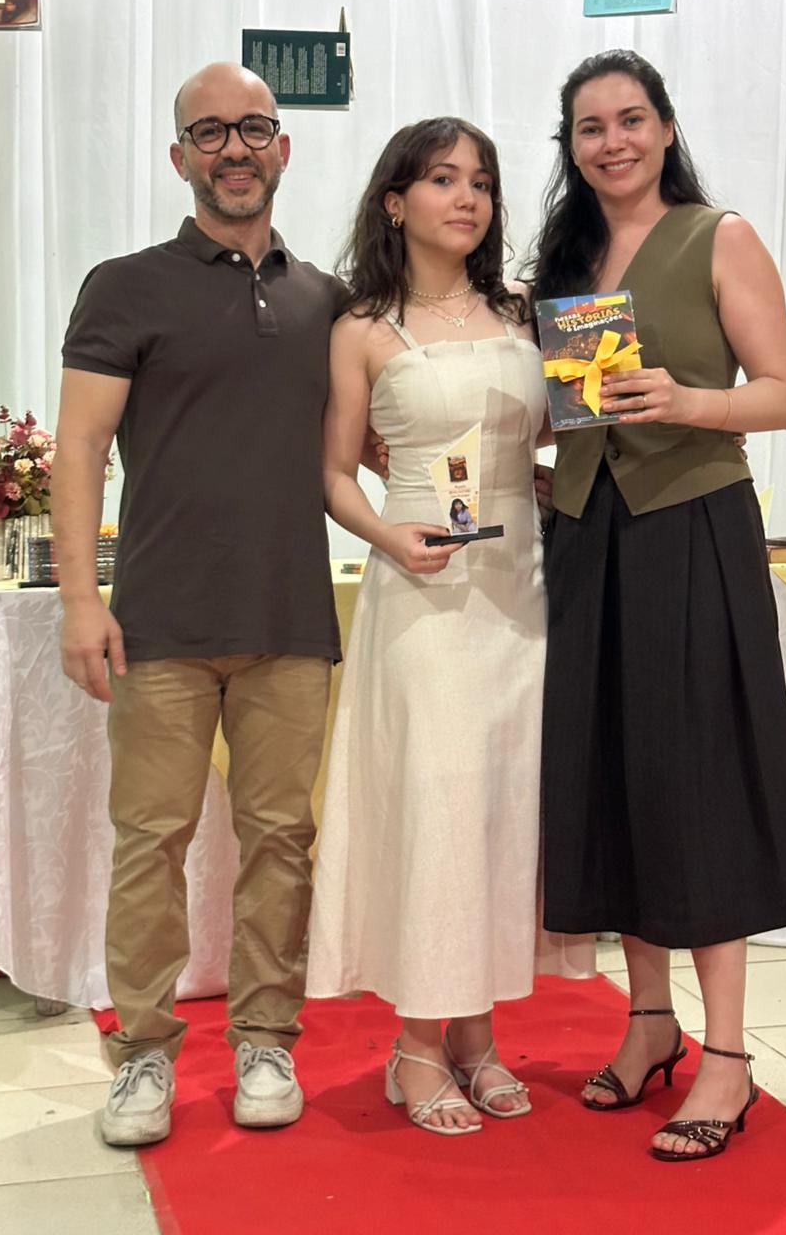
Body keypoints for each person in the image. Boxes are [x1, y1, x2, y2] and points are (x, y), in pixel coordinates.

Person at [532, 50, 786, 1162]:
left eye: (630, 119)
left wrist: (687, 400)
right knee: (614, 771)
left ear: (665, 128)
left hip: (694, 527)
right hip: (588, 535)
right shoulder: (564, 260)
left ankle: (730, 1054)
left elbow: (785, 395)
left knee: (697, 779)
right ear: (570, 147)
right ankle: (648, 1018)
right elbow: (569, 414)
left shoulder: (720, 236)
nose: (611, 142)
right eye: (589, 127)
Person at [54, 62, 346, 1146]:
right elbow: (79, 447)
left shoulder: (327, 301)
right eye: (210, 132)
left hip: (290, 621)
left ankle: (266, 1038)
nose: (234, 149)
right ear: (180, 155)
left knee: (283, 840)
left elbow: (372, 442)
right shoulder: (124, 286)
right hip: (160, 623)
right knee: (150, 842)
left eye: (253, 129)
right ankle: (142, 1053)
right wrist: (81, 599)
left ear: (283, 148)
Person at [305, 117, 593, 1137]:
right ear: (396, 201)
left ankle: (476, 1035)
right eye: (441, 179)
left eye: (481, 181)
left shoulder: (526, 313)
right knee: (436, 802)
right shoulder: (362, 327)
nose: (466, 197)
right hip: (422, 595)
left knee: (502, 807)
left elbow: (566, 430)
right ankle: (415, 1044)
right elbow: (335, 472)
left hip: (521, 590)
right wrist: (388, 534)